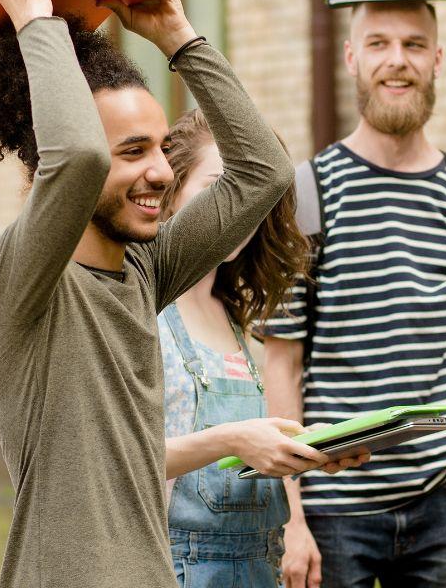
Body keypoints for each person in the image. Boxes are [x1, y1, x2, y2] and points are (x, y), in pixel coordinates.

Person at [0, 0, 337, 588]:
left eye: (161, 148)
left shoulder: (144, 272)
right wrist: (35, 19)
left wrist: (178, 39)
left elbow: (263, 173)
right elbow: (77, 158)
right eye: (132, 152)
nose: (161, 171)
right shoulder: (13, 286)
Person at [260, 0, 446, 588]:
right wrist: (291, 518)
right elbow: (282, 364)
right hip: (330, 508)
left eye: (414, 44)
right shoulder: (305, 199)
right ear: (351, 57)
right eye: (378, 43)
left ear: (438, 59)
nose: (397, 61)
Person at [156, 109, 367, 587]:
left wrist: (303, 447)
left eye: (251, 194)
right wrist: (231, 440)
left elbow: (247, 452)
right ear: (170, 192)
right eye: (219, 187)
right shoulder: (142, 312)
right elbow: (114, 461)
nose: (238, 209)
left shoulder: (235, 317)